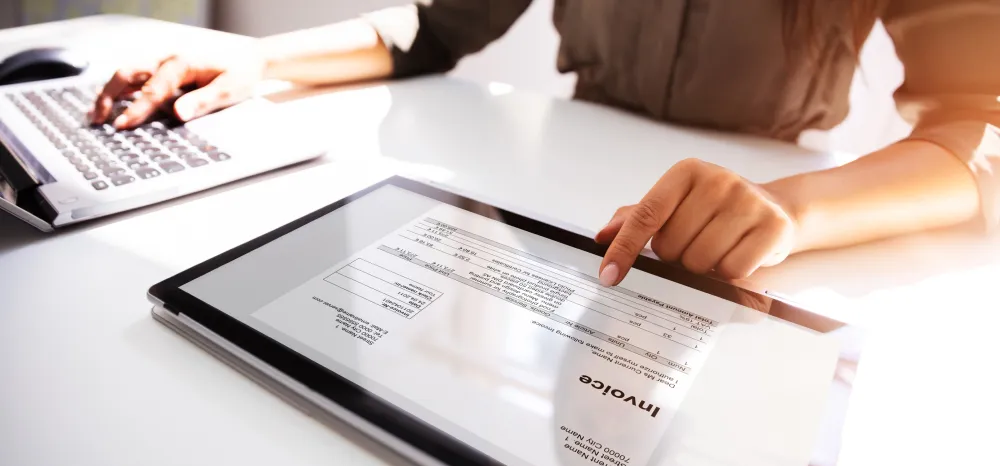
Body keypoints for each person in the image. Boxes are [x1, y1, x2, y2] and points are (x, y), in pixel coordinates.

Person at [89, 0, 999, 286]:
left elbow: (979, 123)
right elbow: (436, 28)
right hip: (572, 221)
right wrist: (259, 59)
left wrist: (790, 213)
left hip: (758, 255)